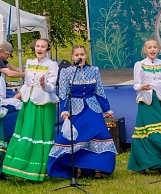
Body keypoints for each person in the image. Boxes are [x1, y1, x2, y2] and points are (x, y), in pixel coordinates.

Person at [47, 45, 117, 180]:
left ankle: (98, 168)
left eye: (82, 54)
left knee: (100, 135)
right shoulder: (67, 72)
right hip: (75, 109)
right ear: (72, 57)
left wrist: (106, 109)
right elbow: (63, 93)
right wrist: (64, 110)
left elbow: (99, 91)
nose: (80, 57)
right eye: (77, 55)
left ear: (86, 56)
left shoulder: (94, 70)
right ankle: (77, 168)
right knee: (76, 138)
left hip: (93, 108)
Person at [2, 38, 59, 181]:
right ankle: (21, 167)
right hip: (29, 102)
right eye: (38, 46)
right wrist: (21, 93)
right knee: (25, 132)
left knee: (40, 134)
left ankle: (38, 169)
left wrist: (45, 85)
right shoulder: (30, 63)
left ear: (47, 49)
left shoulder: (52, 65)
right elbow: (27, 83)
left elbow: (52, 87)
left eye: (43, 47)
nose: (39, 49)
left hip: (44, 103)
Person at [127, 39, 161, 174]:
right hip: (146, 101)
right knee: (144, 132)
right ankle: (142, 163)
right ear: (145, 50)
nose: (152, 50)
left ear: (159, 50)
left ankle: (160, 163)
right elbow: (135, 85)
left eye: (155, 47)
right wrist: (142, 87)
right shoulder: (139, 65)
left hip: (159, 101)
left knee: (159, 131)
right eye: (149, 47)